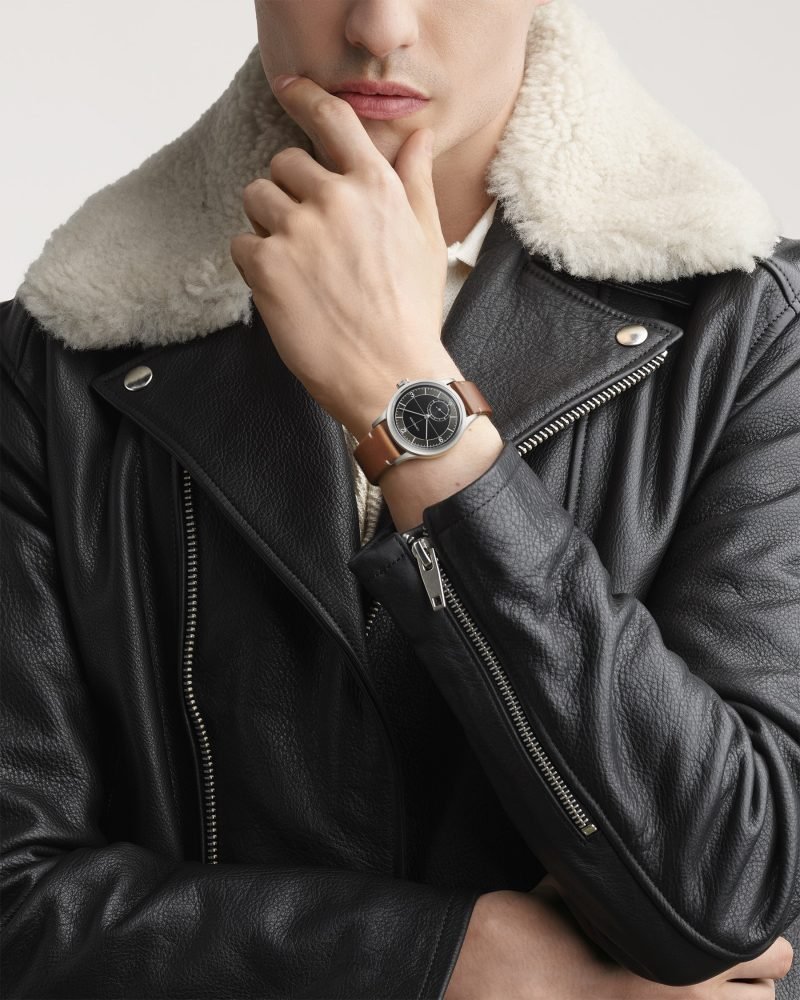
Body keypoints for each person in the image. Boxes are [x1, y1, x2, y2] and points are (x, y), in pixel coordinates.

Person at [1, 0, 798, 996]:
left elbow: (727, 889)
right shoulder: (54, 359)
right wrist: (458, 964)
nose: (379, 26)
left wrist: (408, 399)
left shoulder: (751, 331)